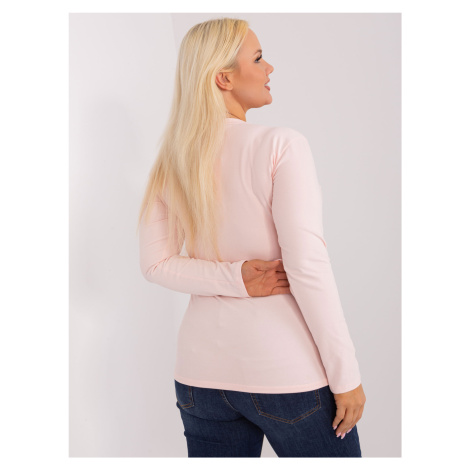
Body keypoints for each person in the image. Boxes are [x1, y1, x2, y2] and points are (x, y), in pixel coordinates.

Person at [137, 17, 366, 458]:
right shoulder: (282, 144)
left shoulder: (172, 161)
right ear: (223, 78)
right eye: (258, 58)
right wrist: (347, 376)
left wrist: (233, 278)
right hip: (285, 375)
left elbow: (156, 264)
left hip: (200, 378)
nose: (269, 68)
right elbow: (307, 266)